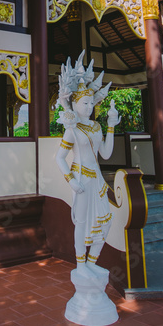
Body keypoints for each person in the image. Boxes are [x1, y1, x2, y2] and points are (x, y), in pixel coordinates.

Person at [55, 53, 120, 275]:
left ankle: (92, 262)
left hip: (97, 180)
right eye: (85, 102)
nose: (89, 106)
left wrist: (111, 125)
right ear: (75, 103)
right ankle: (81, 264)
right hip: (81, 178)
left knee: (106, 221)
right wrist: (71, 181)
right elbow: (60, 157)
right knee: (81, 222)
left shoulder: (96, 127)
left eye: (92, 102)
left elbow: (106, 154)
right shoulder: (72, 130)